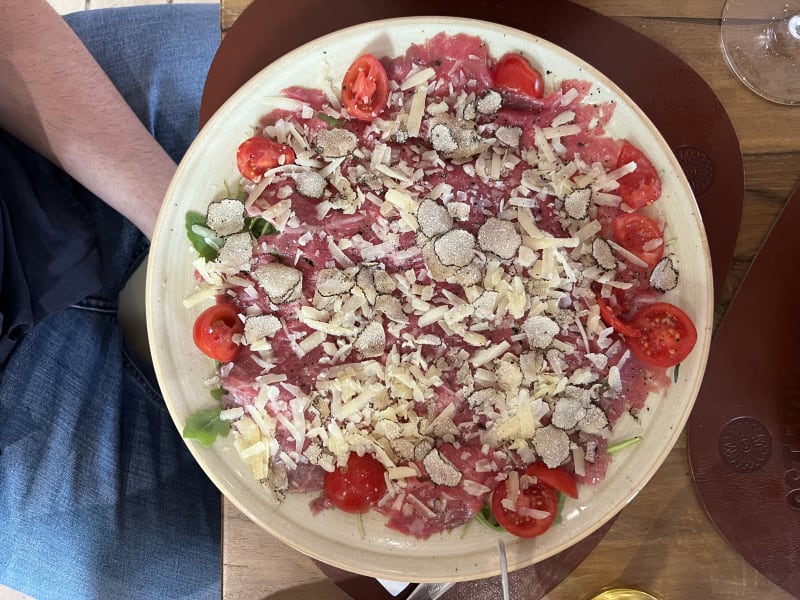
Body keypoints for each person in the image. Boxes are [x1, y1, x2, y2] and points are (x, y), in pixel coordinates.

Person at [0, 2, 222, 598]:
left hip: (33, 147)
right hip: (15, 423)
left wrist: (174, 220)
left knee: (299, 57)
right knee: (270, 571)